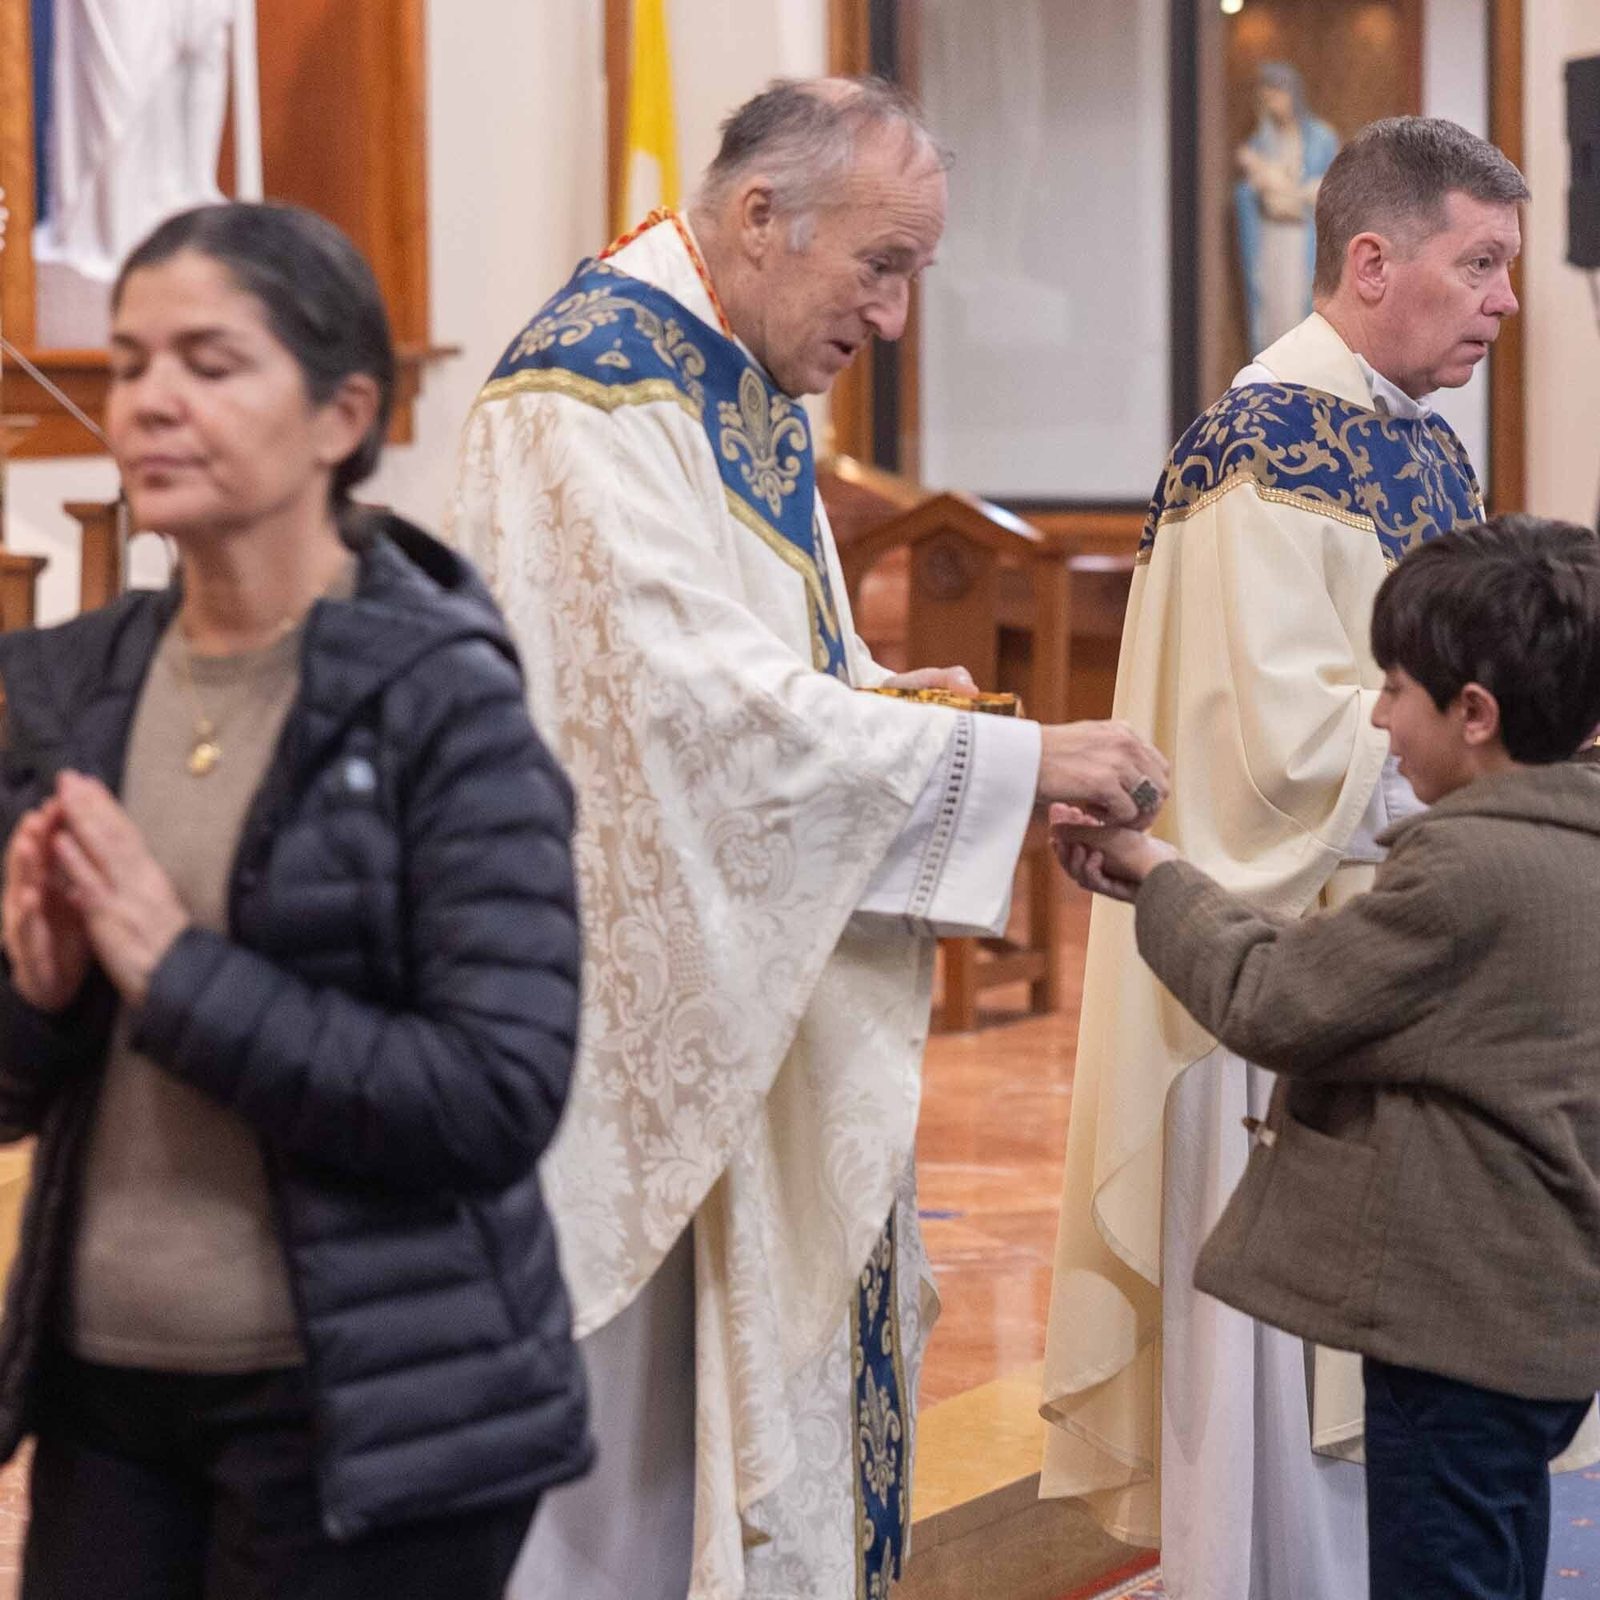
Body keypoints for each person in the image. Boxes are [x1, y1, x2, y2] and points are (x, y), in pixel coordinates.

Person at [448, 75, 1170, 1600]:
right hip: (641, 1039)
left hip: (746, 1001)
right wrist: (1006, 756)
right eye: (882, 264)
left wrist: (925, 721)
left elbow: (775, 686)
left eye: (915, 272)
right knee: (632, 1493)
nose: (896, 318)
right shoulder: (592, 394)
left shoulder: (728, 379)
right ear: (762, 217)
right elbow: (689, 725)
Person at [0, 200, 590, 1599]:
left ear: (341, 415)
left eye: (209, 363)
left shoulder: (445, 699)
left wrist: (175, 970)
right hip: (105, 1407)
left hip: (376, 1418)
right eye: (133, 362)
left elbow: (497, 1091)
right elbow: (17, 1088)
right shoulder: (64, 689)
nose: (150, 401)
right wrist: (39, 996)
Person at [1038, 116, 1556, 1600]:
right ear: (1373, 260)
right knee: (1285, 1438)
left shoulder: (1409, 435)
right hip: (1275, 982)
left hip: (1406, 959)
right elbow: (1269, 750)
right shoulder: (1268, 442)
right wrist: (1506, 760)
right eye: (1483, 264)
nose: (1505, 302)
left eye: (1509, 268)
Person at [1052, 514, 1600, 1600]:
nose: (1381, 719)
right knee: (1496, 1553)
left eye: (1394, 688)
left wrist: (1157, 877)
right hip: (1541, 1313)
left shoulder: (1467, 868)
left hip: (1459, 1325)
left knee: (1445, 1573)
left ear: (1475, 715)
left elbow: (1276, 999)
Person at [1234, 61, 1340, 352]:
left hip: (1301, 236)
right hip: (1271, 235)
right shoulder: (1261, 143)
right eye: (1266, 98)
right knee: (1270, 306)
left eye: (1277, 95)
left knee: (1298, 303)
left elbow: (1324, 190)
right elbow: (1251, 193)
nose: (1272, 104)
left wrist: (1284, 188)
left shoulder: (1319, 138)